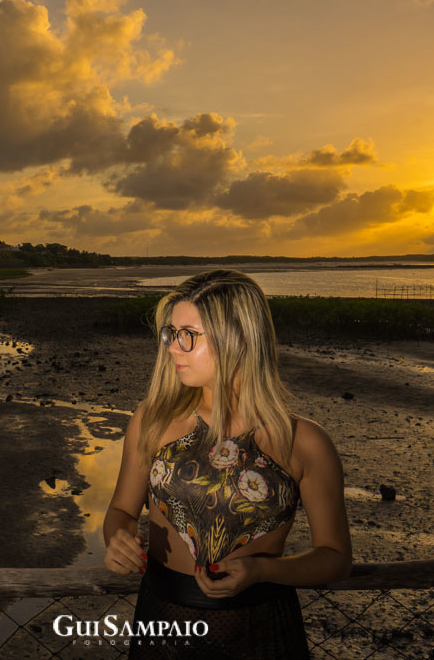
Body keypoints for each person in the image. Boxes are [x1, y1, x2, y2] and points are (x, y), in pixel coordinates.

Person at [103, 269, 352, 659]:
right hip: (162, 624)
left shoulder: (305, 442)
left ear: (238, 339)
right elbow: (121, 510)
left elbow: (335, 558)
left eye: (189, 335)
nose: (173, 349)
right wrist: (117, 539)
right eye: (171, 334)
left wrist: (262, 571)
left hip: (261, 631)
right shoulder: (153, 420)